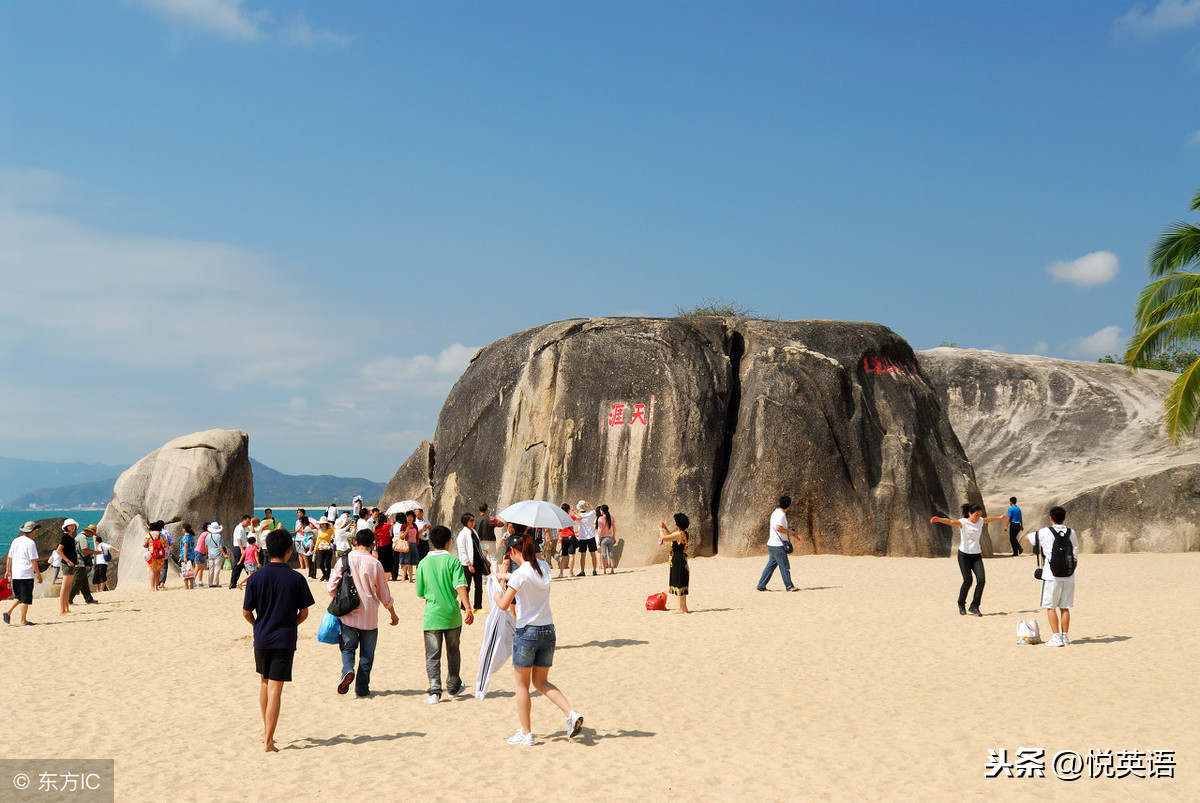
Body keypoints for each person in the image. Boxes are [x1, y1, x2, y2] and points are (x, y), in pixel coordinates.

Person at [493, 532, 584, 746]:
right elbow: (527, 577)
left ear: (514, 551)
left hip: (528, 632)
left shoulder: (520, 573)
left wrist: (497, 591)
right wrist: (506, 577)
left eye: (510, 553)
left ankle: (526, 733)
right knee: (541, 681)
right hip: (547, 629)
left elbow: (504, 604)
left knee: (522, 685)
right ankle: (570, 713)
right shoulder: (543, 566)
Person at [242, 529, 314, 752]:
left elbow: (246, 612)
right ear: (288, 551)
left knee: (264, 682)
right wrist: (290, 625)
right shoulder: (296, 578)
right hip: (284, 638)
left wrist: (259, 627)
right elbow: (304, 613)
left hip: (262, 638)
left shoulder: (256, 577)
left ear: (267, 550)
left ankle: (266, 731)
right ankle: (269, 741)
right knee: (275, 688)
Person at [329, 529, 399, 698]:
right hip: (369, 616)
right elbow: (384, 594)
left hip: (348, 614)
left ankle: (347, 670)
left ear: (354, 542)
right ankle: (361, 689)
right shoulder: (375, 564)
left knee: (348, 649)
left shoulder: (343, 560)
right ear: (372, 544)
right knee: (367, 655)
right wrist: (393, 614)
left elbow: (331, 588)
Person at [414, 525, 475, 704]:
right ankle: (453, 686)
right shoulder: (453, 562)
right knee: (453, 651)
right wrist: (468, 608)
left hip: (432, 615)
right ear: (448, 542)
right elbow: (460, 586)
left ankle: (434, 691)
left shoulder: (423, 563)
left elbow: (421, 593)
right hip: (452, 614)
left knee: (433, 654)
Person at [930, 503, 1006, 616]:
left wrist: (999, 518)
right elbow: (950, 522)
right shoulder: (963, 522)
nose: (978, 517)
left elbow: (988, 520)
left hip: (976, 555)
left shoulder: (980, 520)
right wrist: (938, 519)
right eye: (976, 515)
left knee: (981, 580)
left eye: (980, 515)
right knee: (968, 581)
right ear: (970, 513)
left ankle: (974, 606)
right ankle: (961, 603)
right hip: (964, 555)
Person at [1028, 506, 1079, 646]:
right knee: (1065, 607)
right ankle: (1065, 637)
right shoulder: (1071, 532)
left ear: (1050, 518)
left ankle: (1056, 637)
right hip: (1069, 575)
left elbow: (1028, 538)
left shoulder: (1045, 532)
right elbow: (1075, 551)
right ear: (1064, 518)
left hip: (1051, 576)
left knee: (1050, 607)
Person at [4, 521, 44, 626]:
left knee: (19, 596)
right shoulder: (30, 543)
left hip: (16, 573)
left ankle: (8, 612)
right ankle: (23, 620)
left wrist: (8, 570)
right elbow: (33, 561)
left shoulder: (16, 541)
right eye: (35, 530)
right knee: (25, 598)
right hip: (26, 573)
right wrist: (38, 574)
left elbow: (9, 557)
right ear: (32, 531)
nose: (36, 532)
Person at [757, 496, 799, 593]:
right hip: (777, 545)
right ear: (789, 506)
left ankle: (761, 585)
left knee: (770, 566)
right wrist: (789, 532)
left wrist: (792, 534)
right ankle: (789, 586)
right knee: (784, 566)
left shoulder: (775, 512)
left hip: (772, 544)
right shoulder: (781, 515)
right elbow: (778, 528)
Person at [457, 512, 491, 613]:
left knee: (479, 585)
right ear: (466, 522)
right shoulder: (462, 534)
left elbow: (478, 547)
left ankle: (478, 606)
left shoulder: (474, 532)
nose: (473, 522)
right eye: (471, 520)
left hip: (478, 562)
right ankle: (464, 606)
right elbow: (462, 550)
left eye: (473, 520)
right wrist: (468, 564)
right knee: (466, 586)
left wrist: (485, 559)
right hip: (467, 564)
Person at [658, 513, 690, 613]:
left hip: (678, 560)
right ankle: (684, 607)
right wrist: (666, 528)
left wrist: (660, 529)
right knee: (682, 582)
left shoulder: (678, 534)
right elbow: (671, 536)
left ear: (677, 524)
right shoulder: (683, 533)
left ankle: (680, 608)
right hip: (682, 560)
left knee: (679, 582)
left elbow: (664, 538)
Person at [574, 500, 599, 576]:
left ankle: (582, 571)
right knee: (593, 554)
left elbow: (577, 518)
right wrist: (588, 503)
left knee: (583, 555)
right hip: (591, 536)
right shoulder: (590, 514)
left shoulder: (577, 516)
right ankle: (594, 570)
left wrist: (574, 511)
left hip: (582, 537)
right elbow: (594, 509)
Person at [145, 521, 170, 592]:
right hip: (160, 554)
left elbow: (144, 544)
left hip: (151, 554)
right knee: (158, 570)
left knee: (152, 570)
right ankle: (156, 587)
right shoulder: (161, 535)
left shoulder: (148, 535)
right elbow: (165, 543)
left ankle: (152, 588)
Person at [229, 514, 252, 589]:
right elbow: (238, 539)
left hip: (242, 547)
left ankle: (251, 579)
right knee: (238, 566)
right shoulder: (239, 528)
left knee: (245, 565)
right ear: (243, 520)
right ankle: (233, 583)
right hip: (239, 548)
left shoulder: (244, 528)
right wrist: (242, 549)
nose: (248, 523)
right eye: (247, 522)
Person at [557, 503, 577, 579]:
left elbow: (559, 530)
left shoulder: (560, 518)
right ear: (568, 510)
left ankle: (561, 573)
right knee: (572, 556)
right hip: (570, 537)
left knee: (564, 557)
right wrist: (574, 511)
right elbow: (579, 518)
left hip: (563, 537)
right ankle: (570, 572)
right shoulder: (570, 517)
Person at [206, 523, 229, 588]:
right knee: (217, 568)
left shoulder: (208, 536)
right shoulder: (218, 536)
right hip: (217, 554)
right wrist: (224, 554)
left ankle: (210, 583)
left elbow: (206, 545)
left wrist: (206, 554)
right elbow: (220, 546)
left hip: (210, 554)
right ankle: (215, 583)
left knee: (211, 569)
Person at [597, 505, 616, 574]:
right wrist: (614, 537)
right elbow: (614, 528)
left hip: (603, 538)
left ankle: (604, 570)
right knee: (611, 554)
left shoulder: (600, 519)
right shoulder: (611, 518)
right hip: (610, 537)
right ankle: (612, 569)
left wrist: (599, 539)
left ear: (602, 511)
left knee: (604, 554)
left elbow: (600, 530)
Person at [314, 517, 335, 581]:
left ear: (326, 524)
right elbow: (318, 539)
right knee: (320, 563)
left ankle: (327, 576)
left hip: (328, 548)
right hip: (321, 548)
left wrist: (332, 526)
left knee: (328, 564)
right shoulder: (319, 530)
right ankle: (324, 574)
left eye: (323, 524)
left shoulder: (330, 530)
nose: (322, 525)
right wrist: (315, 548)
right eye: (321, 524)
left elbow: (336, 531)